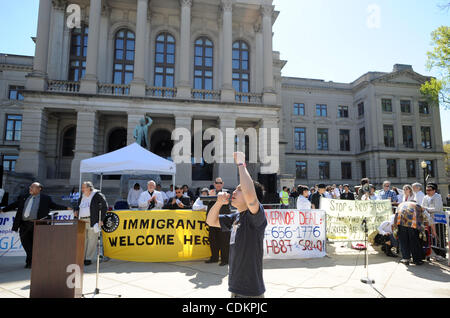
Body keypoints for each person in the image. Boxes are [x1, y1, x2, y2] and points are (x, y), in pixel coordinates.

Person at [206, 152, 267, 298]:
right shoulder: (235, 216)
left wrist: (241, 164)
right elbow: (211, 221)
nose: (234, 191)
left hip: (250, 291)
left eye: (240, 190)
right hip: (235, 287)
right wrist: (218, 203)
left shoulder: (255, 216)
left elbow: (251, 196)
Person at [1, 182, 70, 268]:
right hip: (23, 224)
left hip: (37, 225)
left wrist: (67, 208)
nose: (30, 188)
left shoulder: (45, 198)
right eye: (30, 187)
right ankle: (31, 260)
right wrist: (3, 210)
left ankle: (30, 262)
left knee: (35, 245)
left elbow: (54, 205)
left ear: (39, 189)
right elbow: (14, 204)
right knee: (26, 244)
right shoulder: (24, 197)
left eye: (32, 187)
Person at [73, 181, 108, 266]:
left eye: (84, 187)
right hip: (82, 220)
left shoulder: (97, 195)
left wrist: (101, 219)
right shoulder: (83, 196)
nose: (82, 189)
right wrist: (76, 210)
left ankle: (88, 258)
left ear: (89, 188)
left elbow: (105, 206)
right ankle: (82, 257)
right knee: (83, 239)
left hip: (92, 220)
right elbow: (78, 205)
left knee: (92, 240)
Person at [393, 201, 436, 265]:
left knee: (404, 241)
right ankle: (417, 260)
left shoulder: (401, 204)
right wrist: (434, 232)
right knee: (414, 242)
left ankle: (406, 258)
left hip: (400, 222)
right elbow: (430, 220)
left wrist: (395, 227)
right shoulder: (419, 206)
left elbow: (396, 215)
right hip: (413, 224)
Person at [205, 177, 231, 266]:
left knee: (224, 241)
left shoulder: (226, 192)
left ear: (222, 183)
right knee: (213, 240)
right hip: (212, 219)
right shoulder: (211, 192)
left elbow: (226, 201)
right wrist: (209, 196)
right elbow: (204, 203)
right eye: (217, 182)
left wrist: (214, 197)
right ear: (214, 184)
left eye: (220, 182)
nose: (218, 184)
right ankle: (214, 258)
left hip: (223, 219)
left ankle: (225, 260)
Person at [421, 183, 446, 258]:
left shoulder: (437, 196)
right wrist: (425, 209)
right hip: (429, 219)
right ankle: (435, 252)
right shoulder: (425, 197)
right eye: (426, 190)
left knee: (439, 235)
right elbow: (422, 206)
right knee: (432, 236)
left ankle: (441, 254)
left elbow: (437, 208)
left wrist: (426, 209)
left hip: (438, 219)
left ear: (434, 190)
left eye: (429, 190)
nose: (427, 192)